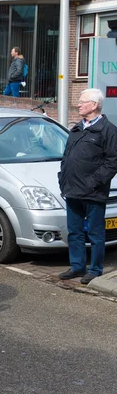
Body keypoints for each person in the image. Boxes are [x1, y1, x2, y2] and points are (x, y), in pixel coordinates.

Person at [58, 89, 117, 285]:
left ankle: (95, 269)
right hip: (72, 189)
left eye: (82, 102)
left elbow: (112, 162)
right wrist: (62, 178)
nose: (79, 105)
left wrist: (93, 182)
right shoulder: (76, 129)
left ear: (94, 105)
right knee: (74, 231)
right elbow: (67, 157)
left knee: (95, 233)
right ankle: (77, 266)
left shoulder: (108, 130)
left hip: (93, 193)